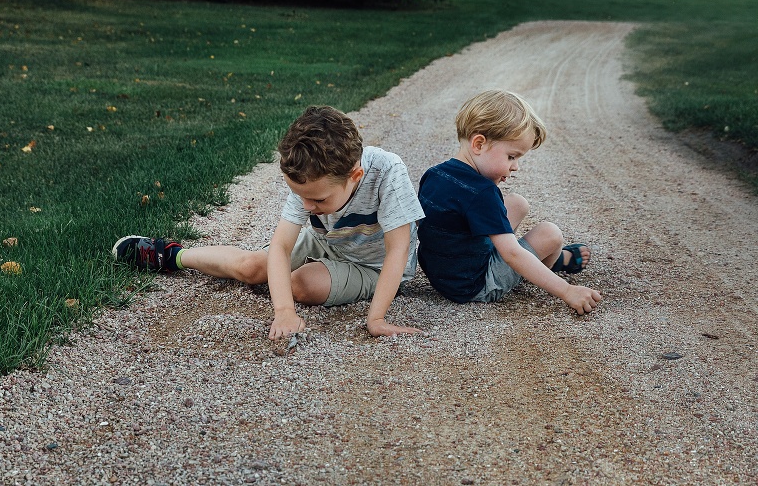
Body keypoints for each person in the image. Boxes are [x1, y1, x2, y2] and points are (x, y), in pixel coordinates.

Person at [113, 106, 426, 340]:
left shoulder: (387, 171)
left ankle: (317, 285)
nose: (308, 207)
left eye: (318, 201)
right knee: (252, 268)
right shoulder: (308, 179)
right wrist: (283, 312)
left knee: (299, 285)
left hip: (373, 265)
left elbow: (398, 251)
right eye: (300, 196)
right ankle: (170, 254)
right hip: (329, 241)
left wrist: (376, 319)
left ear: (354, 176)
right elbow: (281, 246)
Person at [417, 90, 602, 314]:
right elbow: (512, 254)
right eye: (511, 157)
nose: (515, 167)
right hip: (475, 285)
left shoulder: (434, 174)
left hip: (441, 275)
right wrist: (567, 290)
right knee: (550, 234)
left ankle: (542, 261)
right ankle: (553, 264)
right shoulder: (482, 192)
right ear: (479, 144)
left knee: (517, 203)